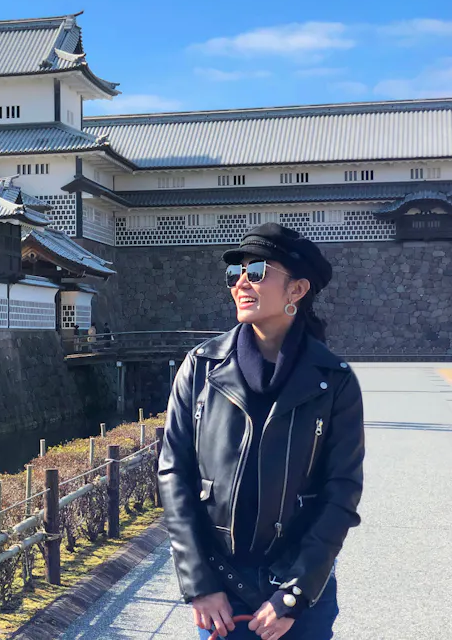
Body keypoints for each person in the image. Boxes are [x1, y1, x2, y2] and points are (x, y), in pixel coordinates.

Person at [158, 223, 364, 640]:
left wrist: (294, 593)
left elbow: (341, 494)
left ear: (297, 290)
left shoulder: (334, 381)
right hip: (221, 591)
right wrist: (199, 584)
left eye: (258, 272)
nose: (241, 283)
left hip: (300, 590)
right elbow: (174, 475)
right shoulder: (201, 367)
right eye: (237, 273)